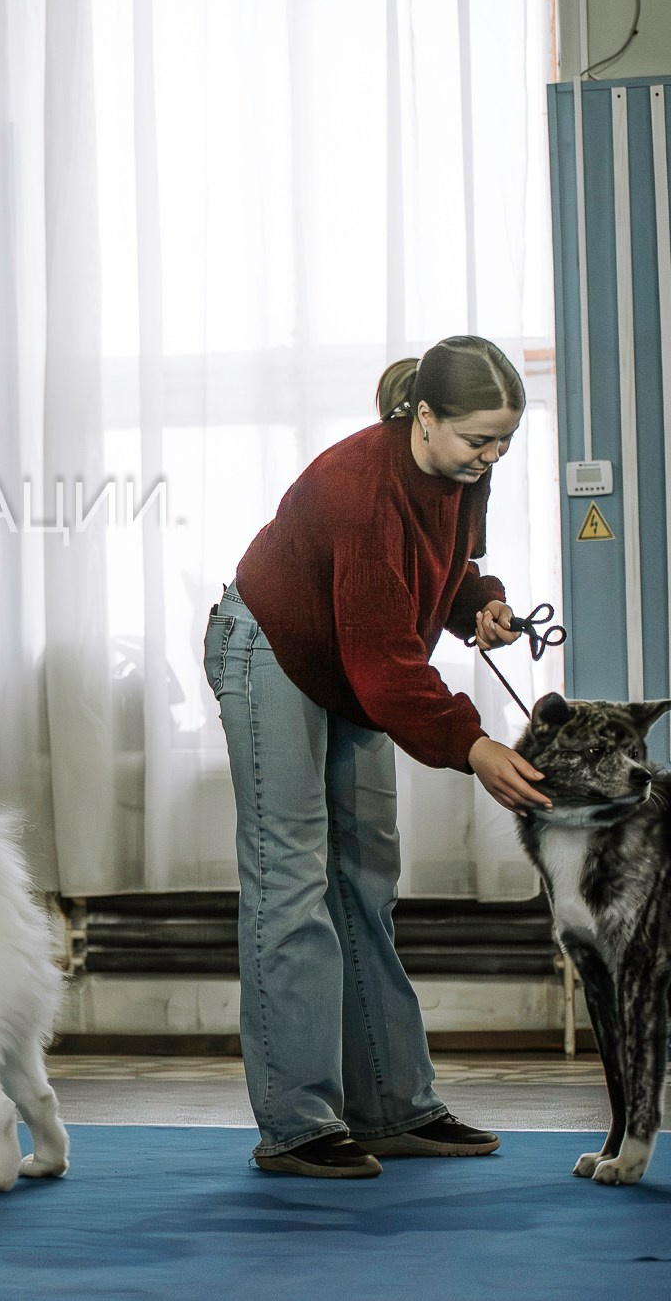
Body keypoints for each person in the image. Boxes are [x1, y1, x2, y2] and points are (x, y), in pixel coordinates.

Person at [205, 335, 552, 1179]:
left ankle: (394, 1108)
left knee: (364, 879)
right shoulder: (359, 487)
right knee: (290, 880)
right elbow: (384, 657)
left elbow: (442, 568)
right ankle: (295, 1123)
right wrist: (470, 743)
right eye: (478, 439)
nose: (491, 455)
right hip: (273, 651)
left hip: (347, 658)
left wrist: (483, 607)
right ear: (423, 417)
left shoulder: (462, 469)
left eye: (503, 440)